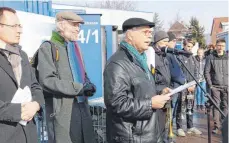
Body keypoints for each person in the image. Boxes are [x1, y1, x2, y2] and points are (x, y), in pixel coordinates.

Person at [104, 18, 171, 143]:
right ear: (130, 35)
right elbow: (116, 104)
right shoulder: (118, 64)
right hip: (131, 137)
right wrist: (150, 104)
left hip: (146, 133)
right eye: (145, 32)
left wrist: (160, 92)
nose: (149, 36)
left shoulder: (140, 59)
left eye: (150, 33)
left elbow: (140, 90)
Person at [36, 11, 96, 143]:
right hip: (63, 112)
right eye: (74, 25)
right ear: (61, 26)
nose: (77, 29)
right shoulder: (48, 47)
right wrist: (78, 88)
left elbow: (82, 75)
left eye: (78, 26)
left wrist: (89, 84)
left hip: (82, 109)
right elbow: (47, 81)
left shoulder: (76, 49)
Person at [0, 7, 44, 143]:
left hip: (28, 134)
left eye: (19, 25)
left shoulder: (22, 55)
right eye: (14, 26)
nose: (19, 30)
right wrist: (19, 111)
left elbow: (35, 86)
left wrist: (36, 104)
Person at [176, 39, 202, 137]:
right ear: (184, 45)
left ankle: (190, 127)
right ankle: (179, 128)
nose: (189, 48)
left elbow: (196, 72)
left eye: (191, 46)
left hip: (192, 87)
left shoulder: (193, 57)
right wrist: (186, 84)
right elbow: (179, 73)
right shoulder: (179, 56)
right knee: (181, 107)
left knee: (190, 107)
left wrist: (194, 84)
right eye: (188, 46)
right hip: (183, 87)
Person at [204, 38, 228, 134]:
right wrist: (210, 85)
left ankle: (225, 125)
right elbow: (206, 72)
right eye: (219, 45)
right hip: (215, 86)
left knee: (226, 106)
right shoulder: (210, 57)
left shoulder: (228, 56)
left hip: (226, 86)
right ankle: (217, 126)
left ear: (225, 46)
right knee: (216, 106)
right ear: (216, 46)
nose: (220, 47)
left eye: (222, 45)